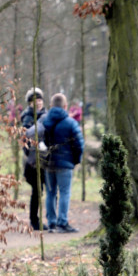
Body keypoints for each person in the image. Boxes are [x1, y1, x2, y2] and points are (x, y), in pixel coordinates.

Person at [37, 93, 84, 233]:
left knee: (50, 193)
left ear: (51, 106)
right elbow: (79, 145)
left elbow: (39, 140)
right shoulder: (71, 123)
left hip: (48, 163)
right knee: (64, 192)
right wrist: (75, 160)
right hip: (65, 164)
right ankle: (62, 223)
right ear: (65, 106)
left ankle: (51, 223)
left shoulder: (43, 121)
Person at [20, 87, 47, 231]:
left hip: (45, 160)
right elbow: (25, 141)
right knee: (37, 191)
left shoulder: (46, 115)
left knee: (44, 190)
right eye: (34, 101)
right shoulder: (28, 118)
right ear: (30, 103)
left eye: (40, 100)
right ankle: (34, 221)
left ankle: (45, 219)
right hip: (33, 162)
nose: (38, 103)